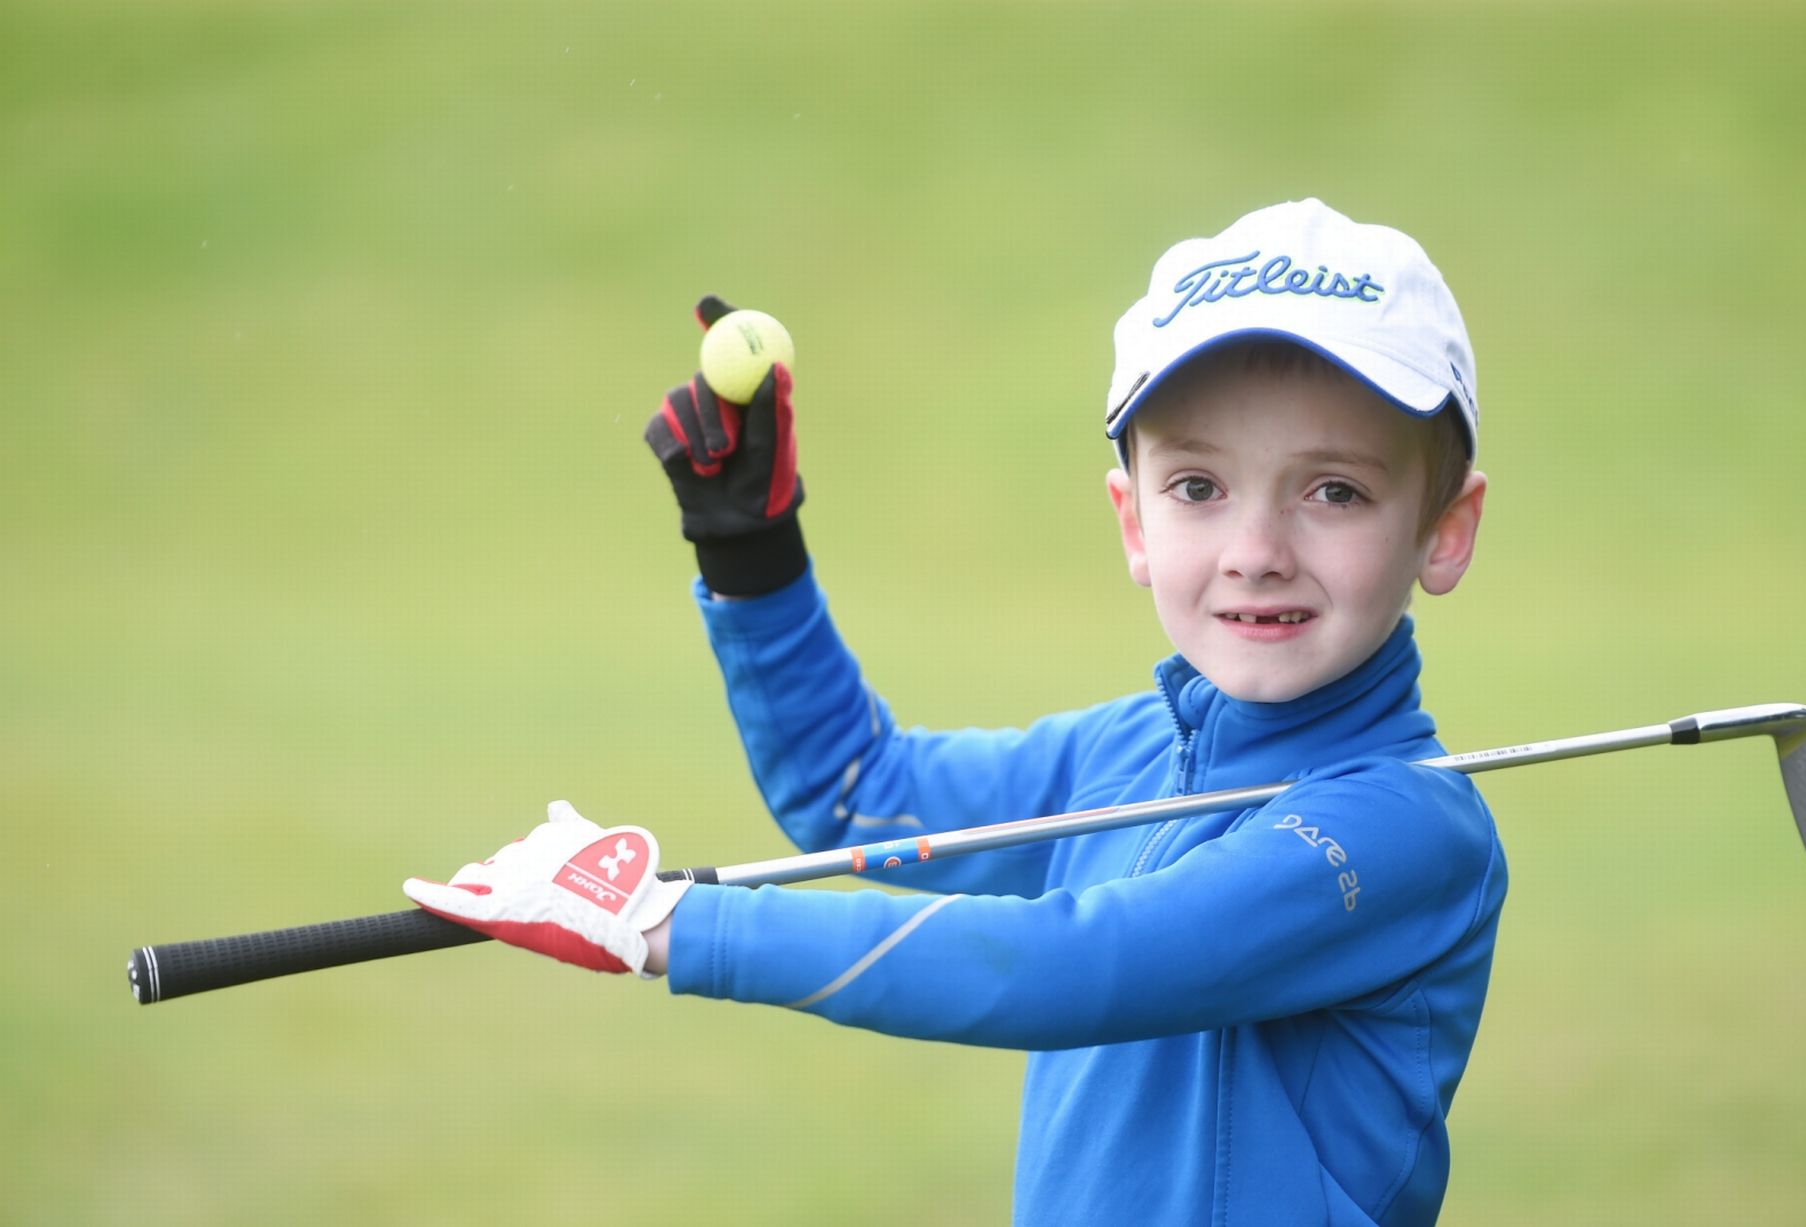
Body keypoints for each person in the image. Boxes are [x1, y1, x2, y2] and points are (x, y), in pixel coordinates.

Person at [405, 198, 1507, 1226]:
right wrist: (751, 557)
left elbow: (1075, 966)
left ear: (1443, 530)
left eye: (1334, 492)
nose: (1256, 553)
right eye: (1197, 488)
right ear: (1131, 520)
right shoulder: (1126, 750)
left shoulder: (1405, 832)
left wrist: (667, 925)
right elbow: (861, 798)